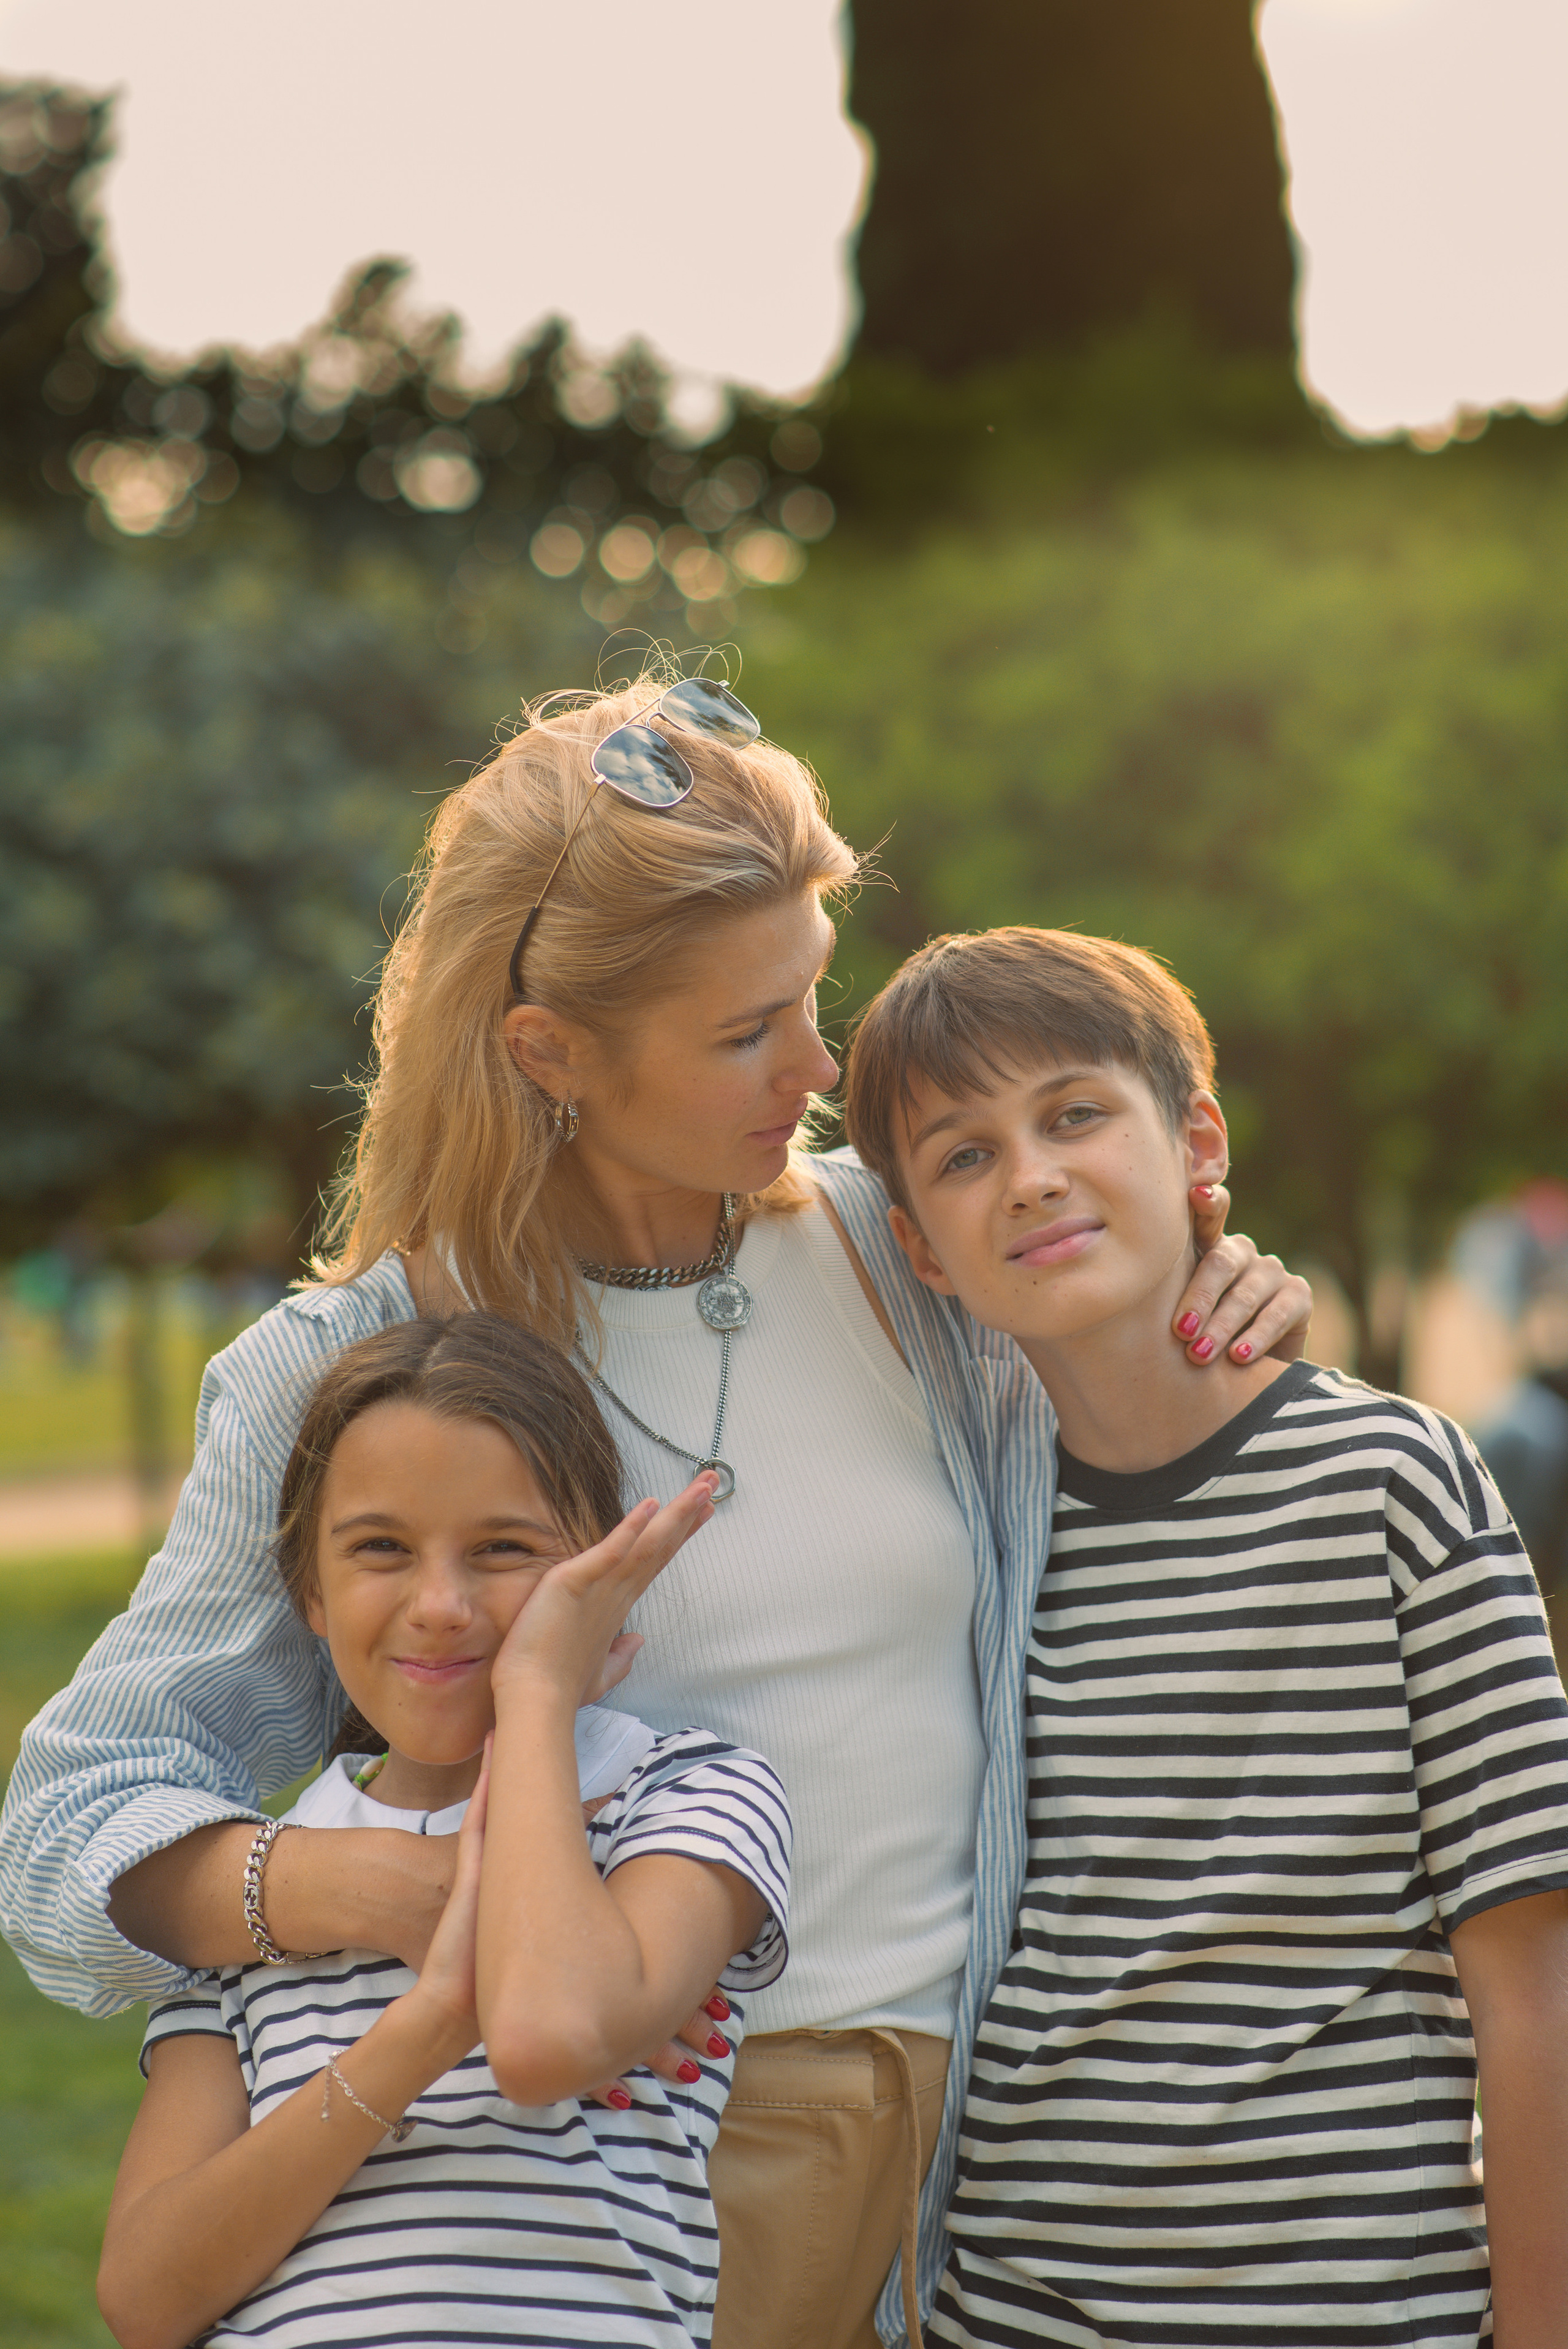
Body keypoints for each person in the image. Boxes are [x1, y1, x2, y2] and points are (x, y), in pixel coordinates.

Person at [0, 675, 1312, 2349]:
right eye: (745, 1031)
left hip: (980, 2151)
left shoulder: (899, 1249)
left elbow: (1136, 1350)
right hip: (604, 2194)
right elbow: (69, 1825)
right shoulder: (359, 1357)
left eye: (809, 999)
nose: (820, 1064)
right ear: (552, 1051)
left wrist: (1238, 1290)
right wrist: (378, 1896)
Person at [843, 924, 1568, 2348]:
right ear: (920, 1248)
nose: (1032, 1174)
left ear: (1195, 1144)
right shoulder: (965, 1540)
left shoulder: (1392, 1484)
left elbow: (1532, 1977)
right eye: (964, 1154)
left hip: (1365, 2315)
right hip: (1015, 2311)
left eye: (1072, 1116)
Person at [100, 1312, 790, 2349]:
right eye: (381, 1547)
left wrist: (538, 1693)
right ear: (310, 1592)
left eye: (503, 1549)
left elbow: (546, 2037)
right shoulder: (251, 1884)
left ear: (597, 1571)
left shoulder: (684, 1797)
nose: (441, 1603)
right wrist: (426, 2021)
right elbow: (147, 2299)